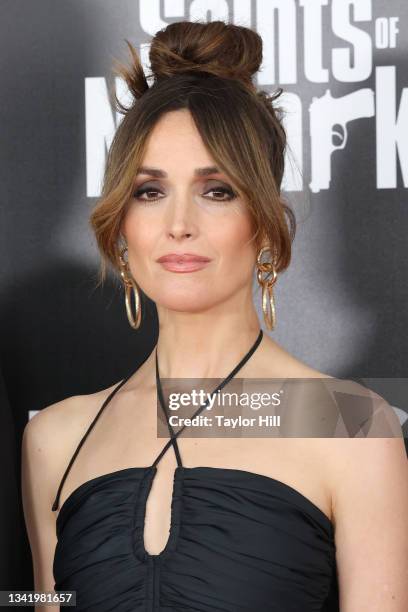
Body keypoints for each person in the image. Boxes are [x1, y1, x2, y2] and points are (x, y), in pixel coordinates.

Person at [21, 19, 408, 612]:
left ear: (266, 222)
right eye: (150, 191)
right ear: (121, 224)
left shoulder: (348, 423)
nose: (179, 223)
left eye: (217, 190)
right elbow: (38, 600)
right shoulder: (56, 437)